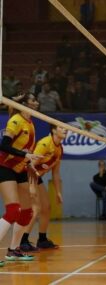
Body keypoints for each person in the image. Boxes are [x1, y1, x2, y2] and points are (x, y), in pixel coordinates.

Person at [0, 93, 41, 266]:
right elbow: (3, 145)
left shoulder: (30, 123)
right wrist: (25, 154)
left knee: (27, 212)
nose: (36, 103)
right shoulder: (16, 120)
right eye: (33, 100)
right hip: (5, 167)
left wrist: (29, 163)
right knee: (13, 211)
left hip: (20, 168)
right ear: (24, 104)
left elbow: (26, 152)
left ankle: (13, 250)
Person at [19, 125, 67, 252]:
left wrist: (58, 192)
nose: (65, 130)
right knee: (36, 208)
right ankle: (22, 241)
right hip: (27, 174)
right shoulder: (45, 143)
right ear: (54, 130)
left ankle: (42, 240)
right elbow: (30, 165)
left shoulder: (59, 149)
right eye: (62, 128)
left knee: (46, 207)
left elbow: (55, 173)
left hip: (37, 176)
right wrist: (31, 185)